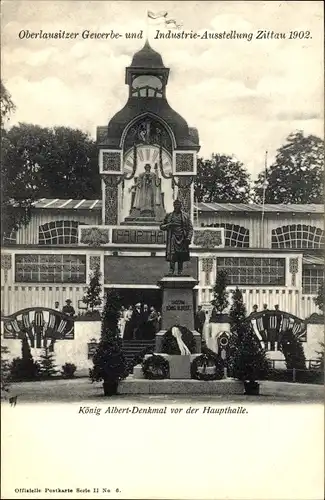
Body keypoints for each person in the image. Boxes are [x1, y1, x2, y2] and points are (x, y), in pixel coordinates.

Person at [160, 199, 193, 275]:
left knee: (180, 254)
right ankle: (171, 270)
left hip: (182, 237)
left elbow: (190, 228)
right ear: (173, 205)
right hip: (172, 237)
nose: (176, 206)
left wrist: (188, 237)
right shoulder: (169, 216)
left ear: (181, 206)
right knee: (172, 254)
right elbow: (161, 226)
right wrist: (168, 225)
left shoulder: (185, 216)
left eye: (178, 205)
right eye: (175, 205)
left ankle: (180, 271)